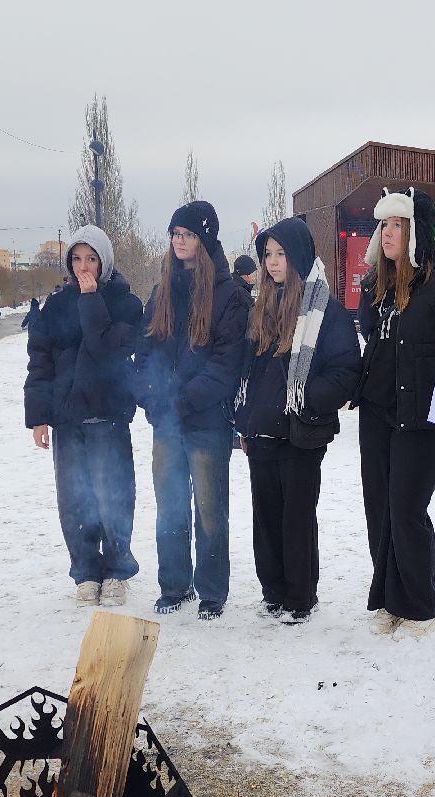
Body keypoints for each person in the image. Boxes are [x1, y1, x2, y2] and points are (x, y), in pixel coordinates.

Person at [356, 187, 435, 638]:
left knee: (407, 508)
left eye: (396, 224)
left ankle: (421, 606)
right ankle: (389, 599)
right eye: (383, 225)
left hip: (425, 418)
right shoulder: (377, 282)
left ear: (416, 231)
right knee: (380, 509)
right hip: (376, 413)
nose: (387, 233)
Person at [233, 216, 361, 624]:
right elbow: (250, 370)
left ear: (299, 256)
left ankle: (300, 597)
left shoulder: (327, 311)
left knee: (297, 519)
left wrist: (305, 402)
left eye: (280, 254)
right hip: (262, 430)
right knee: (266, 518)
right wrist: (245, 416)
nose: (272, 263)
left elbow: (345, 372)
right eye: (267, 254)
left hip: (300, 432)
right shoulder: (261, 307)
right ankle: (272, 591)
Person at [133, 200, 250, 620]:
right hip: (165, 422)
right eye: (175, 235)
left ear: (204, 239)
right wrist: (148, 394)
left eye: (188, 235)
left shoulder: (228, 294)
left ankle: (212, 591)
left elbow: (225, 364)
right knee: (169, 506)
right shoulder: (162, 289)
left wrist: (179, 401)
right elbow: (144, 347)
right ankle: (174, 585)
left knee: (209, 510)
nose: (180, 242)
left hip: (206, 422)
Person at [25, 225, 144, 608]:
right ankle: (86, 572)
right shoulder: (55, 305)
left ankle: (117, 572)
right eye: (76, 259)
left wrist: (91, 299)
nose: (82, 267)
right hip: (67, 419)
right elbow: (39, 363)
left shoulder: (125, 303)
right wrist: (38, 416)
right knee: (75, 500)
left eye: (90, 259)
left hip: (108, 416)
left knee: (113, 497)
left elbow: (106, 348)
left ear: (104, 261)